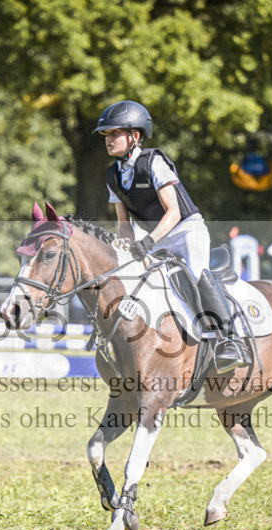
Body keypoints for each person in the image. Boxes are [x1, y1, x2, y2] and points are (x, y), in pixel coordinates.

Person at [94, 100, 249, 373]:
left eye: (114, 133)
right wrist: (128, 248)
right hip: (154, 238)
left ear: (135, 136)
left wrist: (148, 242)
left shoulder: (154, 161)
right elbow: (124, 225)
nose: (108, 139)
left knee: (198, 272)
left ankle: (230, 341)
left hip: (186, 231)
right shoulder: (112, 175)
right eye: (106, 134)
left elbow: (174, 212)